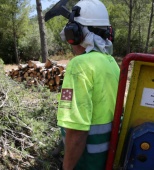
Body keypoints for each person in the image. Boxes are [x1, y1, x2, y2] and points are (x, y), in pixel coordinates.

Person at [57, 0, 120, 169]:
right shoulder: (112, 63)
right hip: (105, 159)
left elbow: (77, 130)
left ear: (76, 34)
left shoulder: (79, 66)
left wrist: (67, 167)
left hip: (84, 161)